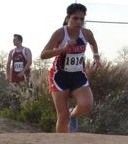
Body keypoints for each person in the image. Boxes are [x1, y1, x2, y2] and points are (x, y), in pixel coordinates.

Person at [40, 3, 101, 133]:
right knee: (62, 117)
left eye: (82, 19)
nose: (79, 22)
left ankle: (72, 114)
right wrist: (62, 49)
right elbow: (43, 54)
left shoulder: (86, 33)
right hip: (59, 77)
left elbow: (93, 43)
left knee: (86, 105)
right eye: (75, 18)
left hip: (78, 75)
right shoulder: (60, 33)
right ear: (67, 18)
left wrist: (96, 58)